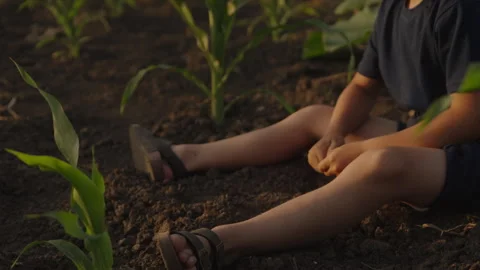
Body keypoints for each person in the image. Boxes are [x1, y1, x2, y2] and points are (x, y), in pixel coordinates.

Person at [128, 0, 480, 269]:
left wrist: (365, 149)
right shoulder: (394, 7)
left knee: (381, 164)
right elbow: (361, 87)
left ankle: (221, 242)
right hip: (439, 138)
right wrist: (336, 135)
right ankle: (181, 157)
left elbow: (467, 118)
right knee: (317, 117)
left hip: (470, 152)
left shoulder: (460, 9)